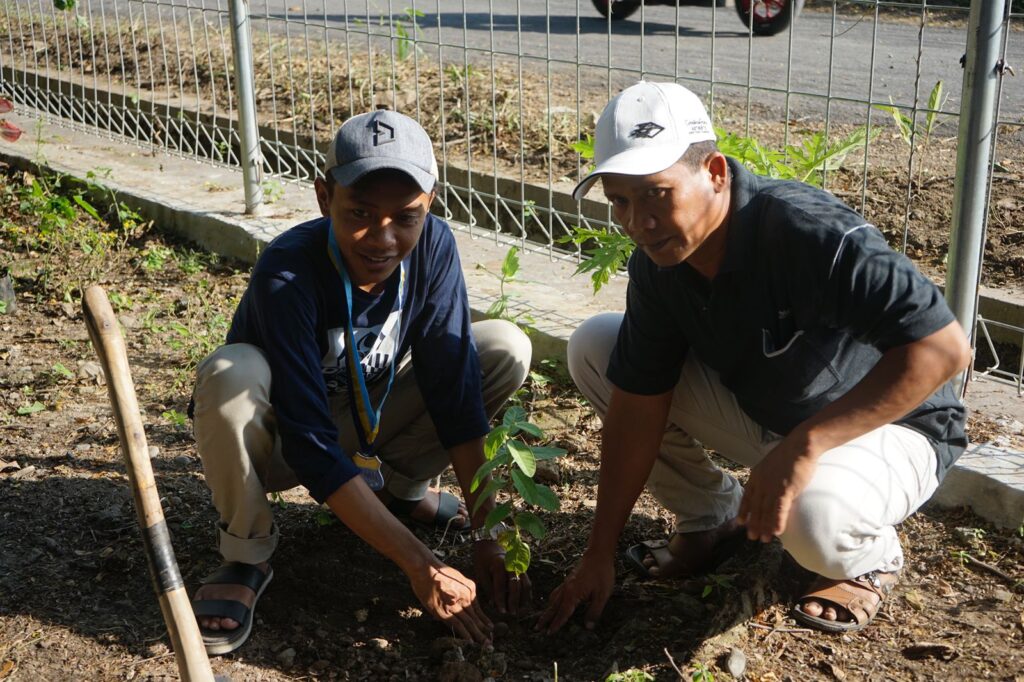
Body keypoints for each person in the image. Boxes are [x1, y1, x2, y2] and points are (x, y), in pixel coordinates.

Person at [538, 81, 971, 635]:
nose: (636, 222)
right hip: (778, 420)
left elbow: (945, 351)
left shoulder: (808, 233)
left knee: (815, 521)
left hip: (897, 425)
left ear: (714, 172)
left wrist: (805, 445)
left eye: (655, 193)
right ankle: (711, 516)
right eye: (619, 200)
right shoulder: (660, 263)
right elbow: (638, 405)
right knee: (597, 346)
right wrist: (599, 551)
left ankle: (872, 560)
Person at [188, 109, 533, 655]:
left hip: (361, 423)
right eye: (360, 213)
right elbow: (309, 442)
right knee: (232, 373)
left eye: (406, 216)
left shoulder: (435, 247)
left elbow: (456, 396)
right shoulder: (288, 274)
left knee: (499, 347)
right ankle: (245, 554)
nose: (383, 237)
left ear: (431, 202)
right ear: (324, 197)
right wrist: (420, 563)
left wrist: (487, 536)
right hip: (281, 444)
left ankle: (400, 489)